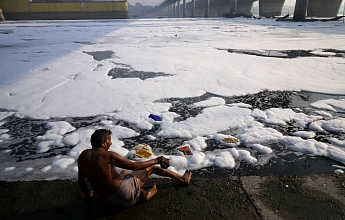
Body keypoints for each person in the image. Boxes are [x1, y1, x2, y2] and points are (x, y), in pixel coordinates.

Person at [78, 129, 192, 209]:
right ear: (103, 143)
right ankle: (182, 179)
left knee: (124, 172)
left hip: (108, 201)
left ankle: (140, 192)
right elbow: (135, 166)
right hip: (125, 196)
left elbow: (81, 181)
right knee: (152, 168)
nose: (111, 142)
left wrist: (88, 197)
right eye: (109, 140)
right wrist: (156, 160)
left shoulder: (83, 156)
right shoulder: (108, 156)